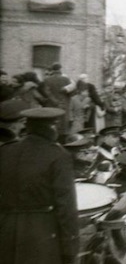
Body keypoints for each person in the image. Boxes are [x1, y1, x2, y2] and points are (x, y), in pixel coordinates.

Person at [0, 107, 80, 264]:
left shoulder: (6, 151)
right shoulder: (58, 155)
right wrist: (70, 248)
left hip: (6, 230)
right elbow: (66, 206)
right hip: (42, 234)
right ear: (51, 127)